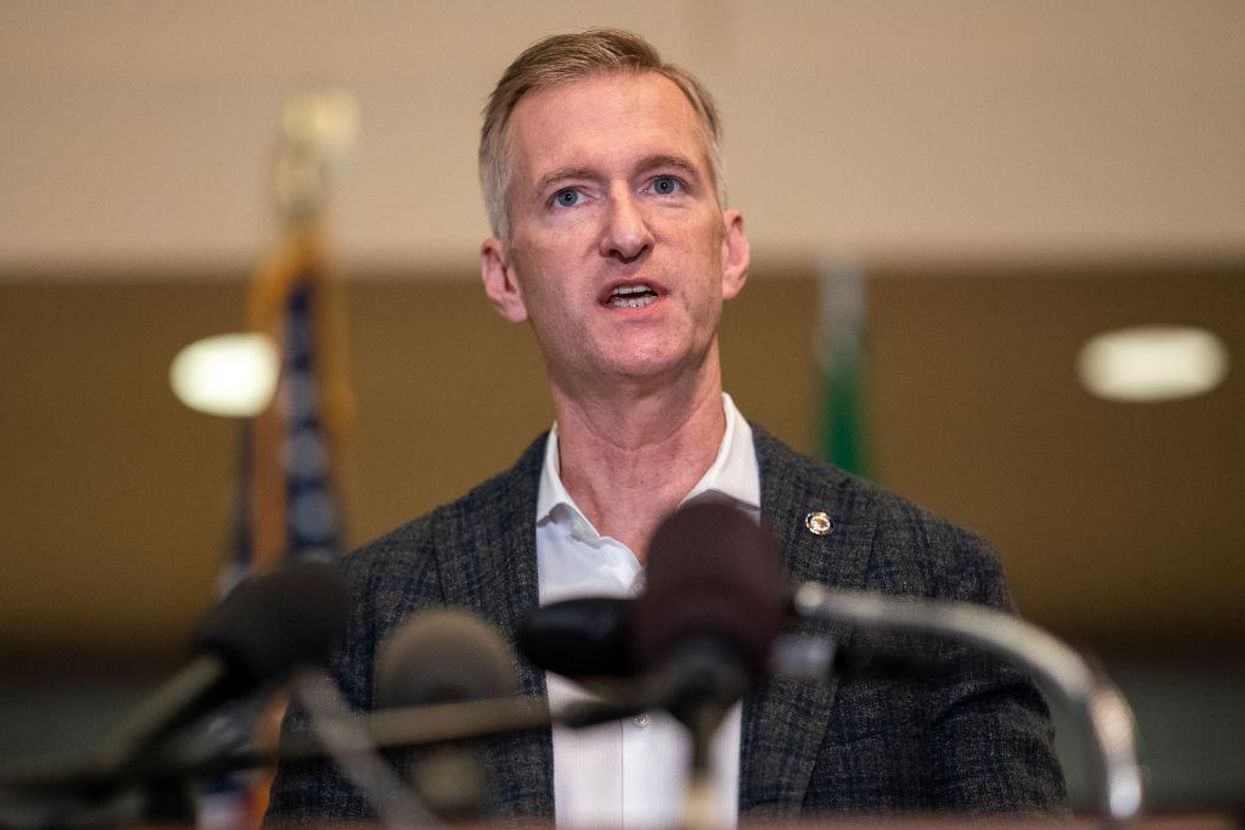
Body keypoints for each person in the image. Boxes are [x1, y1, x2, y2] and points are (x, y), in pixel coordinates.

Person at [265, 28, 1067, 826]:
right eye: (569, 195)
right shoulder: (376, 618)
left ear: (730, 250)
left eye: (664, 184)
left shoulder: (926, 583)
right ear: (504, 276)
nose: (626, 233)